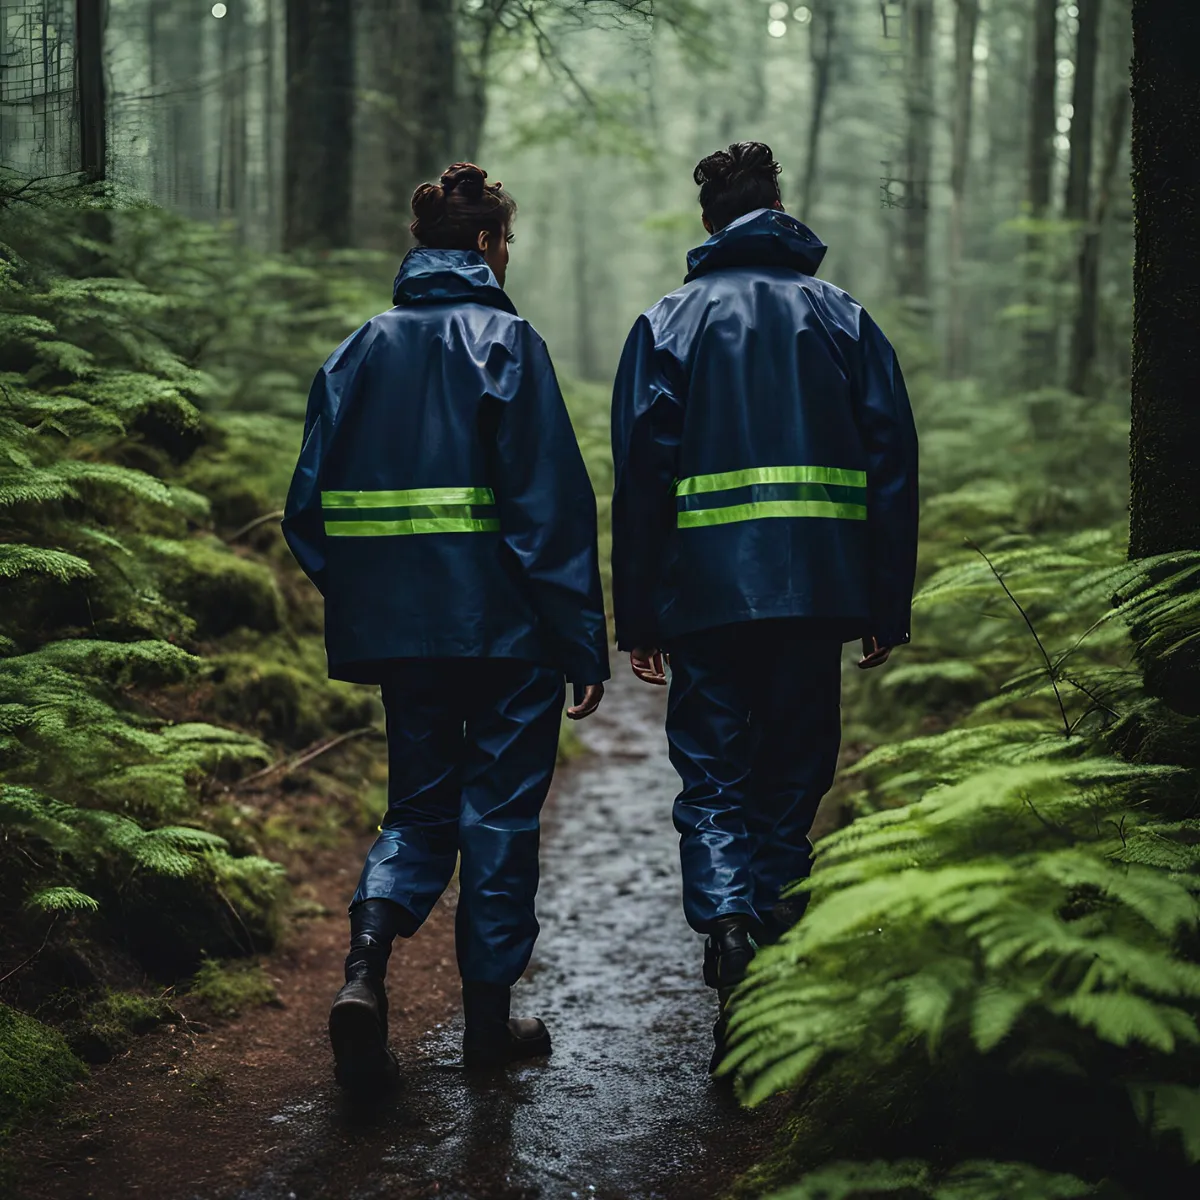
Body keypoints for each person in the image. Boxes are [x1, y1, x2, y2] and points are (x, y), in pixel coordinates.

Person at [283, 162, 609, 1090]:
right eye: (506, 242)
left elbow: (306, 514)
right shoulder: (510, 344)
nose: (508, 257)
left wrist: (373, 596)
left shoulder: (355, 354)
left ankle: (364, 973)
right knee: (498, 820)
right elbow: (549, 515)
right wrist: (581, 638)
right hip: (509, 643)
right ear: (483, 246)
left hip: (405, 642)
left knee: (419, 811)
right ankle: (485, 1029)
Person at [610, 142, 918, 1070]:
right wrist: (884, 603)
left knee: (710, 779)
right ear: (778, 210)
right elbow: (891, 468)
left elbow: (638, 483)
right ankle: (775, 954)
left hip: (705, 602)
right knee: (791, 775)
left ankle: (727, 930)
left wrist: (642, 618)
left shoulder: (668, 321)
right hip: (819, 595)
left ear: (711, 224)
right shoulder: (843, 318)